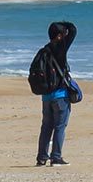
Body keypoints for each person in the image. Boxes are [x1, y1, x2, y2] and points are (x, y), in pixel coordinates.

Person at [26, 20, 80, 166]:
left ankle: (42, 158)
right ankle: (56, 157)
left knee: (46, 127)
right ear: (59, 36)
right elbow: (74, 30)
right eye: (63, 34)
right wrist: (65, 24)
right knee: (60, 126)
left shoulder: (42, 51)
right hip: (60, 96)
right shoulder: (60, 48)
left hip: (46, 97)